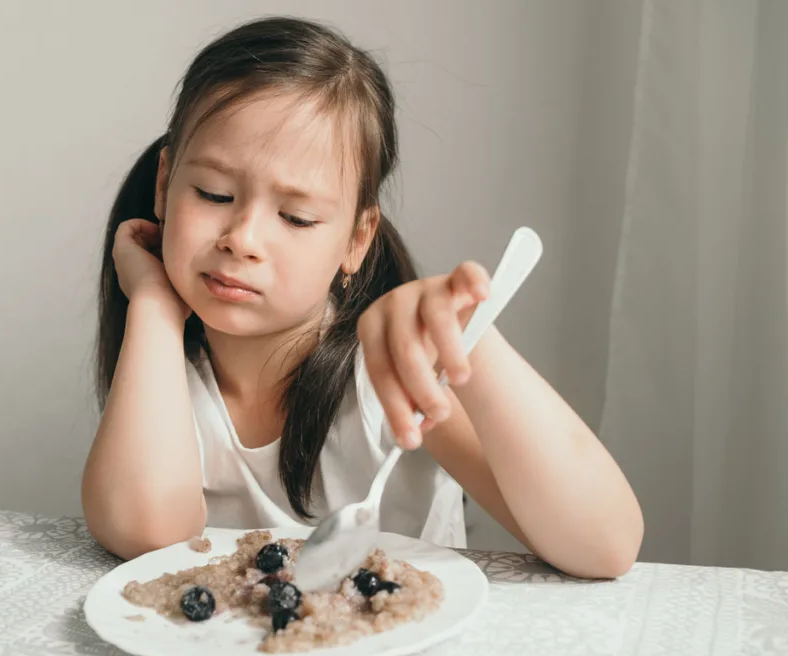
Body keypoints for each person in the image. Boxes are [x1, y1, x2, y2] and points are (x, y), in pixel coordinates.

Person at [81, 16, 643, 578]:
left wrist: (473, 342)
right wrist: (153, 305)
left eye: (296, 218)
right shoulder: (163, 372)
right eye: (214, 193)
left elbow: (604, 546)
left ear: (356, 239)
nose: (243, 239)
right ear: (164, 184)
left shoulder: (390, 379)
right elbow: (146, 532)